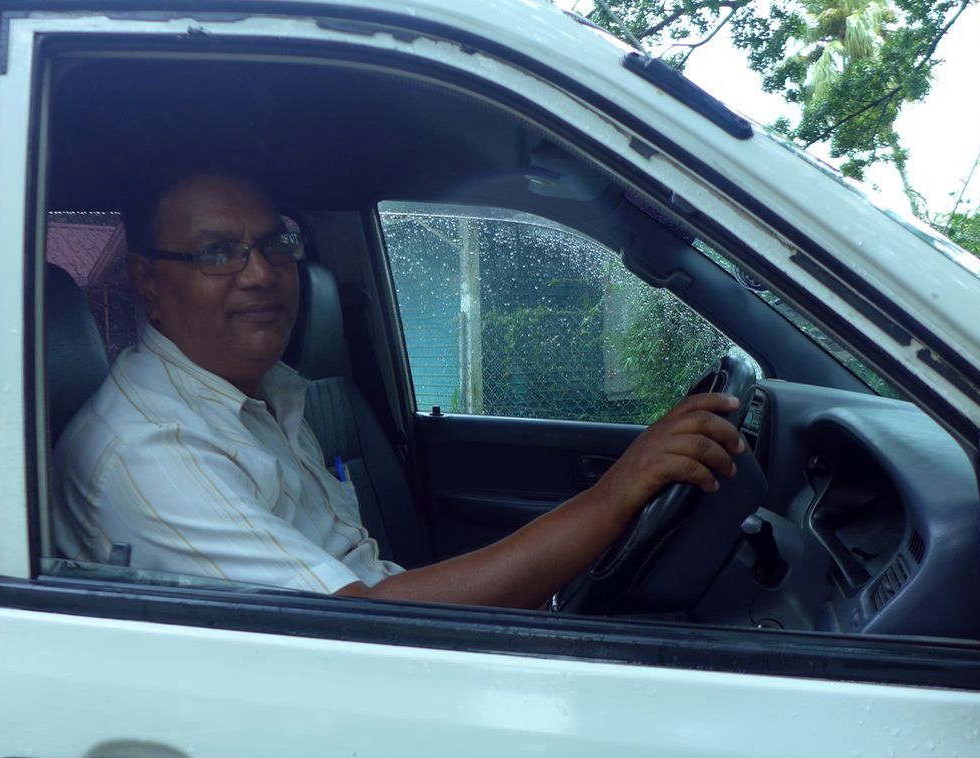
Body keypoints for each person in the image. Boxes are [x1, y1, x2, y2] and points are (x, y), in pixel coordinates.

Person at [53, 170, 745, 609]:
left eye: (276, 244)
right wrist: (611, 500)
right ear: (147, 282)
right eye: (216, 253)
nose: (260, 273)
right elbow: (361, 623)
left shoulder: (263, 397)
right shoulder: (150, 451)